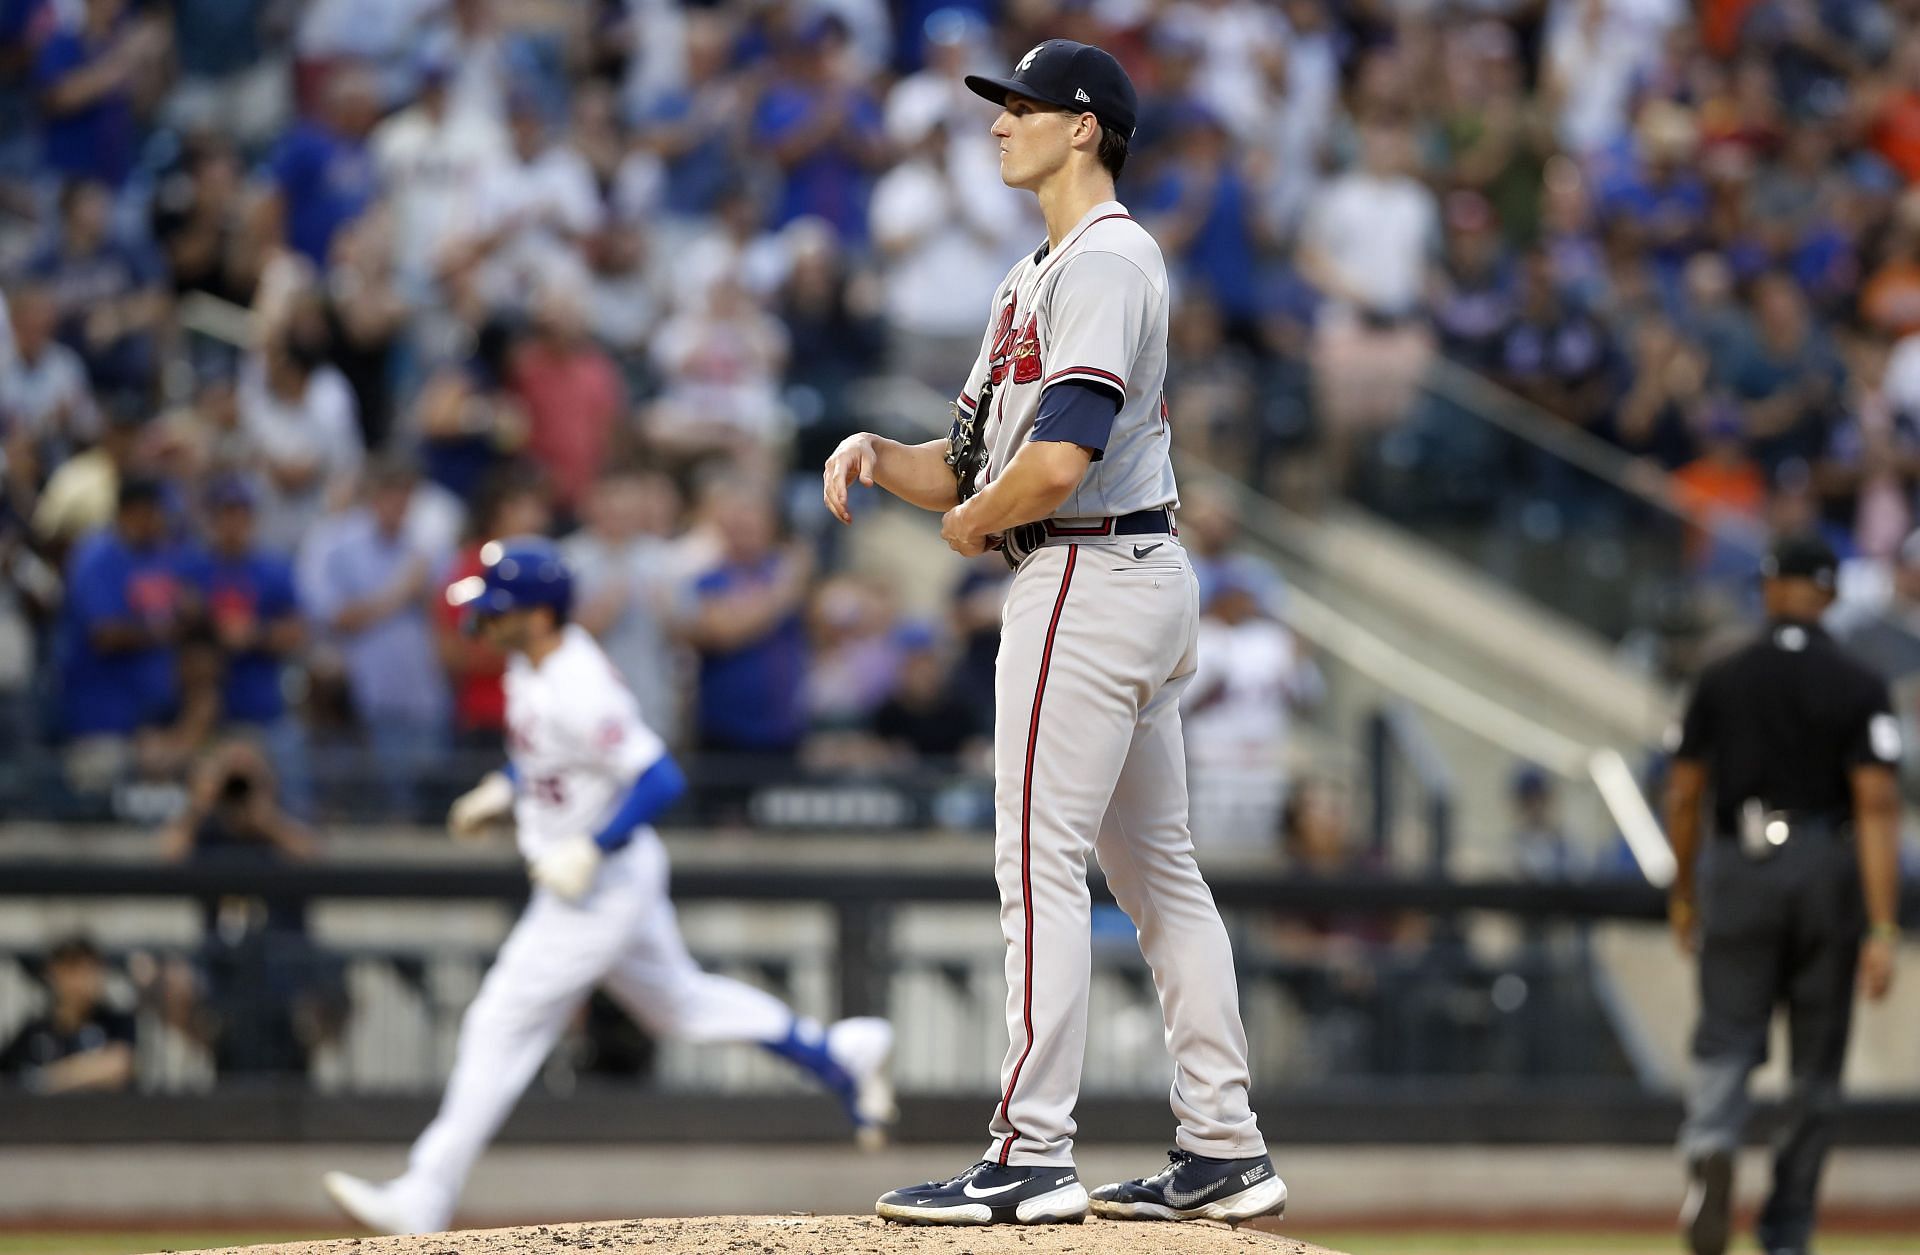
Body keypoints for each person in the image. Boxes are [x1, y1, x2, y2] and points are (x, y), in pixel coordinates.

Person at [823, 39, 1282, 1227]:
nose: (998, 123)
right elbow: (972, 459)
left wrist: (975, 521)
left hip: (1085, 566)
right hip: (1109, 565)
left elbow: (1061, 458)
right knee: (1158, 876)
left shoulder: (1114, 255)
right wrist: (885, 460)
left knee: (1039, 859)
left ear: (1085, 126)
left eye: (1021, 105)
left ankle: (1030, 1150)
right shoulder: (1034, 274)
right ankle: (1224, 1146)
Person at [322, 538, 894, 1236]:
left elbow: (660, 777)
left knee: (499, 1022)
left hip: (598, 884)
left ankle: (424, 1193)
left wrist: (593, 846)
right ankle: (837, 1052)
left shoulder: (576, 679)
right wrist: (502, 789)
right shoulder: (529, 667)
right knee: (681, 1004)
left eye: (499, 606)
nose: (485, 618)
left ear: (537, 615)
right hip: (591, 875)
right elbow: (549, 758)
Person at [1664, 533, 1903, 1255]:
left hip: (1741, 862)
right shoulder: (1861, 682)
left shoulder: (1722, 674)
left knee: (1726, 1039)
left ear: (1770, 589)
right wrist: (1884, 926)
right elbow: (1878, 802)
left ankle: (1711, 1147)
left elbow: (1683, 793)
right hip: (1825, 869)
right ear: (1829, 594)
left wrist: (1683, 891)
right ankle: (1788, 1224)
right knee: (1815, 1065)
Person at [0, 935, 135, 1093]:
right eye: (74, 969)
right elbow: (9, 1077)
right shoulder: (34, 1033)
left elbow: (118, 1063)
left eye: (92, 969)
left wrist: (43, 1080)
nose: (86, 979)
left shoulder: (115, 1023)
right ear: (53, 972)